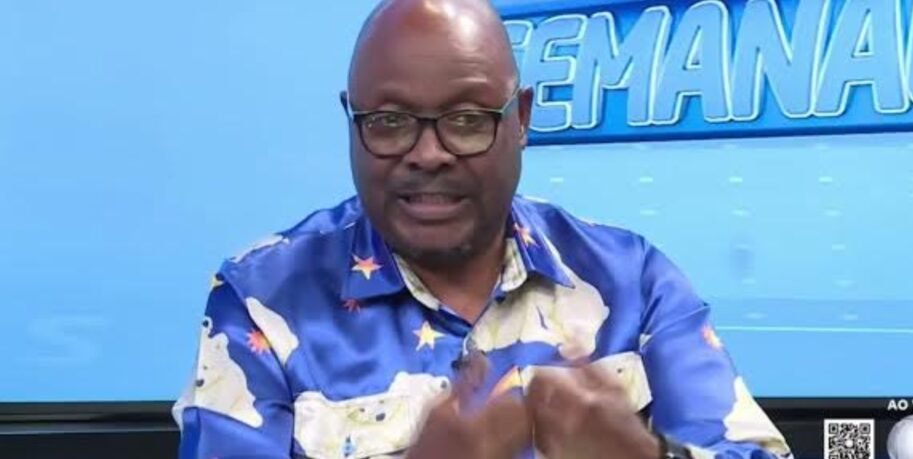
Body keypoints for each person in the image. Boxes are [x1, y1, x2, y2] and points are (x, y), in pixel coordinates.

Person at [173, 0, 793, 458]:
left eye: (467, 120)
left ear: (520, 120)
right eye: (389, 122)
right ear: (352, 122)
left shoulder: (634, 282)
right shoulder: (261, 299)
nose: (428, 154)